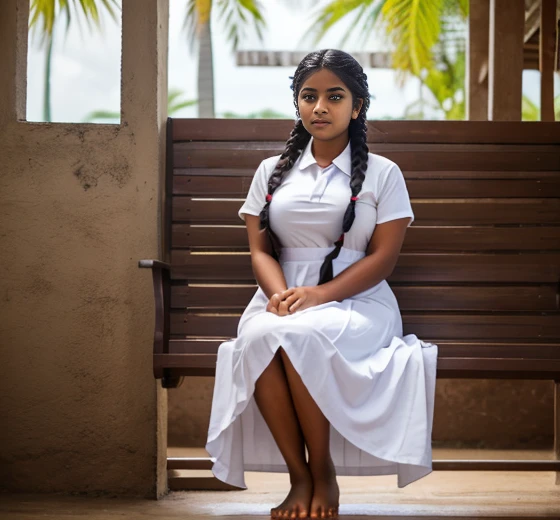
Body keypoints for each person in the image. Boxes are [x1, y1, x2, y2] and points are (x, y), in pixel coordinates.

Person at [205, 49, 438, 519]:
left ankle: (324, 471)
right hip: (281, 295)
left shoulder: (382, 173)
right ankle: (300, 476)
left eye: (334, 97)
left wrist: (318, 295)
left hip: (358, 301)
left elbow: (383, 257)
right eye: (308, 96)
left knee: (302, 334)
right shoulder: (271, 171)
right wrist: (279, 295)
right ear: (297, 104)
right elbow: (261, 250)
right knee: (260, 335)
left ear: (356, 106)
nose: (320, 107)